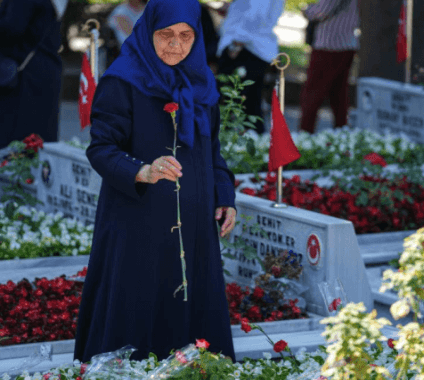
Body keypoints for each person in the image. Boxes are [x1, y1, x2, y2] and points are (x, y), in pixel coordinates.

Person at [73, 0, 238, 363]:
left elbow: (213, 152)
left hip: (194, 229)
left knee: (194, 318)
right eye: (166, 35)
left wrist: (225, 195)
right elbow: (101, 148)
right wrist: (143, 170)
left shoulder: (202, 83)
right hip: (137, 222)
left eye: (185, 36)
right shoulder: (123, 79)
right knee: (138, 308)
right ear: (148, 31)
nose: (176, 45)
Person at [0, 0, 66, 157]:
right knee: (36, 145)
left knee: (9, 143)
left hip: (21, 78)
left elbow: (12, 27)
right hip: (40, 73)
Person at [215, 0, 285, 134]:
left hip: (246, 48)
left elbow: (255, 14)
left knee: (233, 102)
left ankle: (230, 144)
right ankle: (256, 146)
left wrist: (237, 44)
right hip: (255, 48)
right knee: (251, 103)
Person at [298, 0, 359, 133]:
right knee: (339, 94)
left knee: (312, 93)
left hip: (328, 45)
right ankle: (341, 131)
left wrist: (306, 10)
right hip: (348, 44)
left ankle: (305, 133)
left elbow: (320, 12)